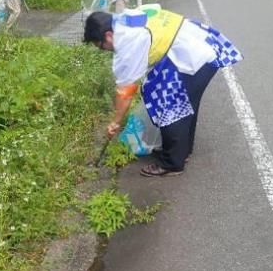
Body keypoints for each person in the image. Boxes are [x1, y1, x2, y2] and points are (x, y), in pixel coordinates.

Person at [84, 9, 242, 177]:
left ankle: (172, 163)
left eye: (101, 47)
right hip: (199, 45)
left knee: (170, 107)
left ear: (108, 36)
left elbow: (126, 92)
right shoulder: (127, 17)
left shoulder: (127, 42)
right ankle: (182, 151)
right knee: (186, 104)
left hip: (192, 56)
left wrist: (115, 122)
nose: (106, 50)